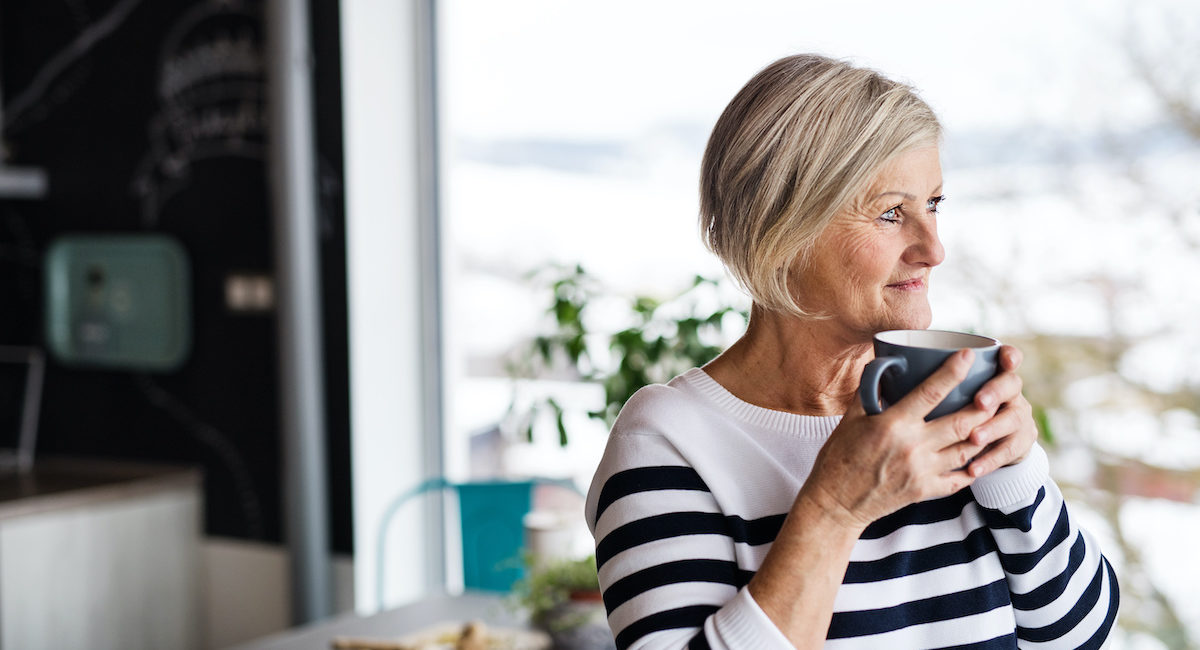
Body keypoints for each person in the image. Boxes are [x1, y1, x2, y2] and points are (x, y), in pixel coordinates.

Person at [584, 54, 1119, 649]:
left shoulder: (940, 403)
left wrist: (1014, 470)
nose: (933, 248)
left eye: (934, 205)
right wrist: (835, 508)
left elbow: (1076, 634)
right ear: (781, 229)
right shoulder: (670, 443)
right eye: (892, 213)